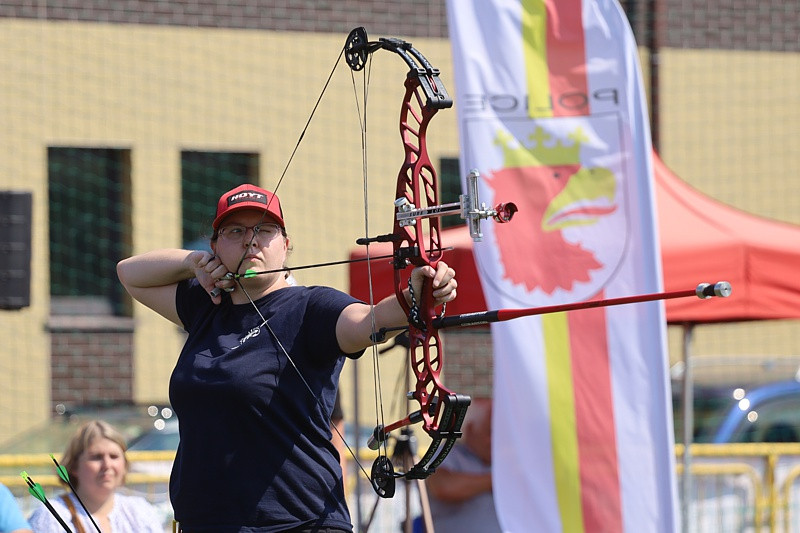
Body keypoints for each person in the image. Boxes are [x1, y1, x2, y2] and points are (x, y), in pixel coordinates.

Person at [116, 183, 458, 532]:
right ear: (215, 246)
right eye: (235, 231)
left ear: (285, 244)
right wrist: (193, 262)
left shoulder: (311, 307)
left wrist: (417, 295)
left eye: (265, 230)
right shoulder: (205, 306)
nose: (251, 240)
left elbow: (370, 320)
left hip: (298, 523)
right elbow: (129, 274)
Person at [28, 420, 163, 532]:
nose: (107, 465)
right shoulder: (51, 516)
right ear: (74, 466)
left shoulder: (139, 511)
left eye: (114, 456)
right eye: (96, 457)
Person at [426, 398, 501, 533]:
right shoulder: (447, 452)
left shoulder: (505, 460)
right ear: (471, 430)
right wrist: (497, 480)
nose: (497, 439)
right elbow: (442, 486)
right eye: (490, 431)